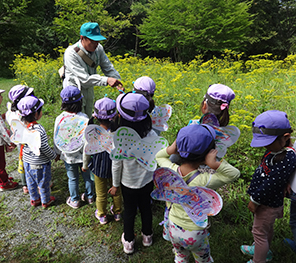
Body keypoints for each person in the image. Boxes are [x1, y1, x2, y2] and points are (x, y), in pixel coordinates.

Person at [156, 124, 240, 263]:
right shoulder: (204, 181)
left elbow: (159, 156)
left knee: (180, 256)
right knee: (203, 260)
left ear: (178, 149)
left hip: (173, 227)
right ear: (206, 155)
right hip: (195, 233)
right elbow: (234, 175)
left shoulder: (169, 171)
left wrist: (170, 149)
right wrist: (214, 164)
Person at [240, 110, 296, 263]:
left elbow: (272, 183)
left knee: (259, 232)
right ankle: (264, 250)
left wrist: (255, 200)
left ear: (284, 138)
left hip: (266, 203)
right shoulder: (278, 151)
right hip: (267, 201)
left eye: (267, 143)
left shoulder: (286, 157)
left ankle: (259, 259)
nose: (265, 147)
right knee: (265, 230)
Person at [108, 92, 155, 254]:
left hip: (128, 183)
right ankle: (147, 236)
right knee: (146, 208)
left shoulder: (119, 139)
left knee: (129, 211)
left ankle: (128, 241)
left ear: (120, 116)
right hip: (147, 181)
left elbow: (116, 165)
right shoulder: (152, 134)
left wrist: (115, 185)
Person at [61, 22, 123, 117]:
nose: (96, 44)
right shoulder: (71, 53)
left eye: (98, 41)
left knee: (88, 116)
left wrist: (117, 81)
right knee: (75, 120)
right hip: (74, 92)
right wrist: (106, 80)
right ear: (82, 38)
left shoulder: (98, 49)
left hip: (89, 87)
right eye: (93, 41)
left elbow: (107, 67)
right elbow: (84, 79)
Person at [82, 97, 122, 224]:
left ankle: (102, 214)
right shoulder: (118, 133)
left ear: (96, 117)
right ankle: (117, 212)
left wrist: (85, 165)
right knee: (116, 191)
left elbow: (87, 150)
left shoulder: (93, 133)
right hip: (115, 169)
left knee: (101, 194)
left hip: (98, 168)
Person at [54, 86, 95, 209]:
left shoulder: (60, 118)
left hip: (68, 155)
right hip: (84, 156)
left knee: (72, 178)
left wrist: (57, 152)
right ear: (80, 102)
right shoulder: (85, 118)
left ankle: (75, 200)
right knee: (88, 177)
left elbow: (56, 138)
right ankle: (90, 196)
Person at [17, 96, 57, 208]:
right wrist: (53, 155)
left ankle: (34, 200)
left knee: (31, 183)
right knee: (43, 183)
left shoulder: (22, 128)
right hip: (40, 163)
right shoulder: (39, 129)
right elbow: (43, 147)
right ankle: (46, 200)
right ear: (35, 114)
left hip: (27, 162)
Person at [7, 84, 34, 194]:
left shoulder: (12, 112)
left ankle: (25, 185)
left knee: (22, 162)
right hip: (27, 142)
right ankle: (30, 184)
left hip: (20, 143)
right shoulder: (21, 115)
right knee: (31, 162)